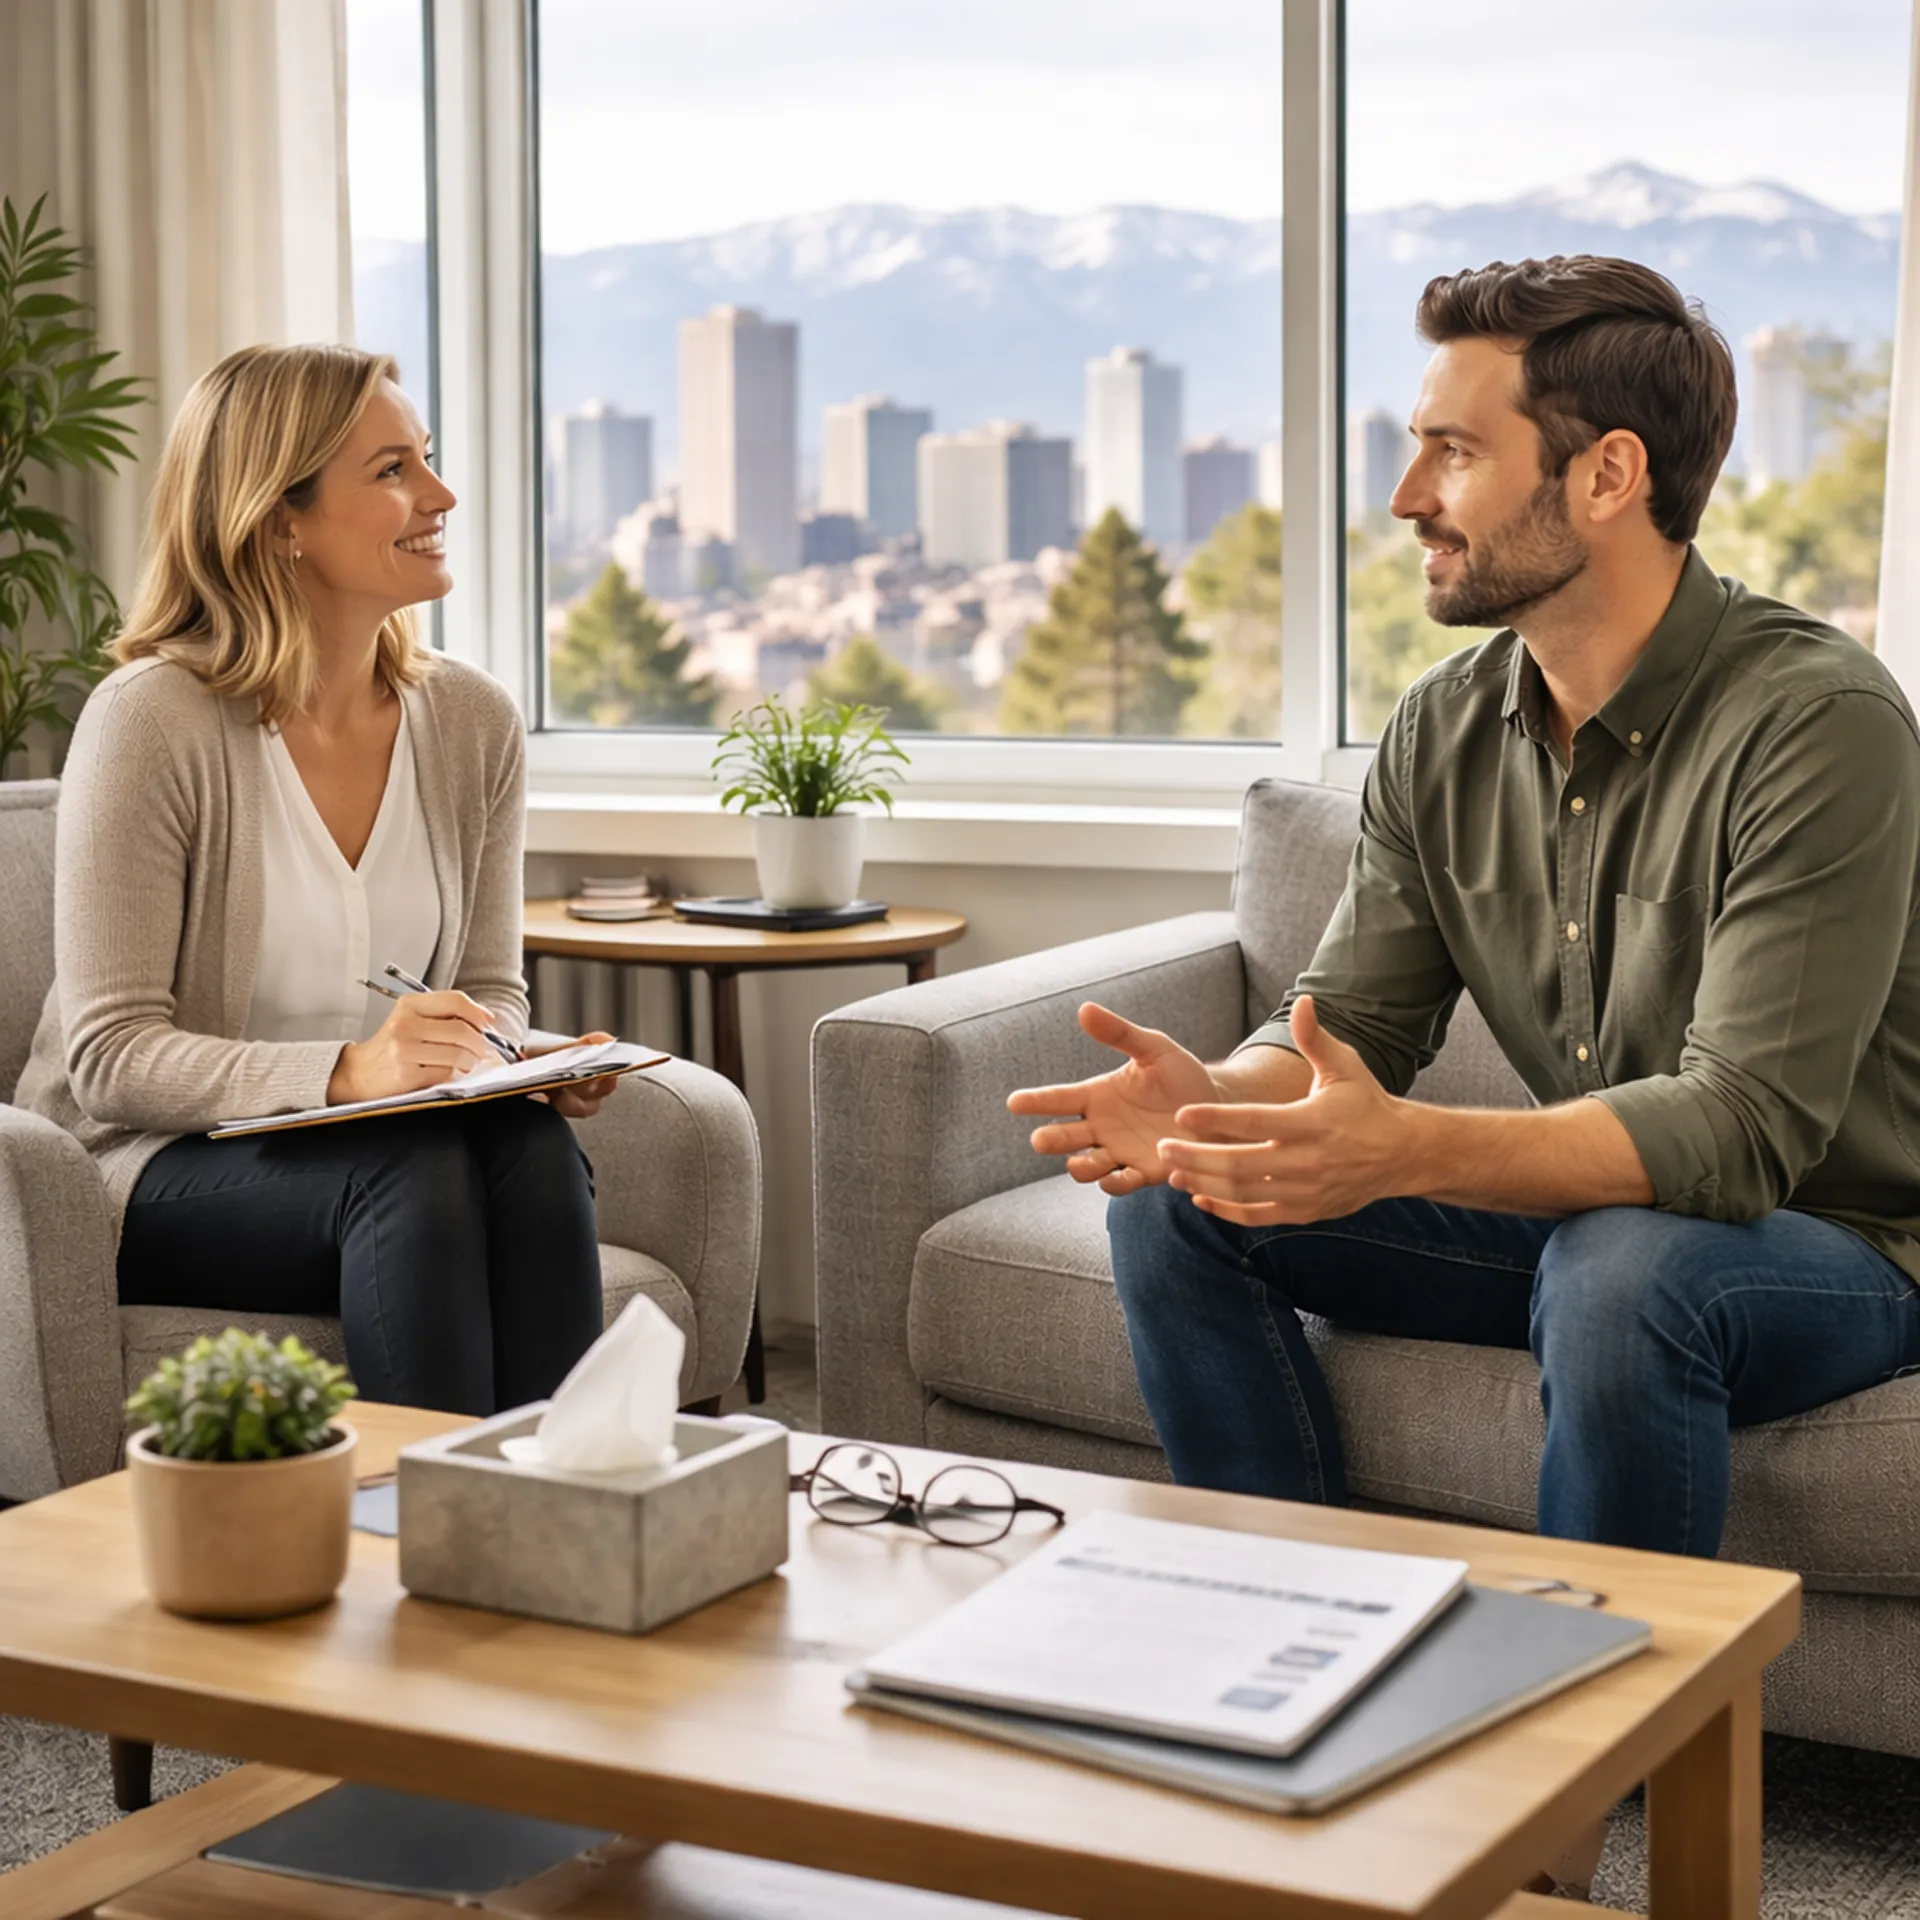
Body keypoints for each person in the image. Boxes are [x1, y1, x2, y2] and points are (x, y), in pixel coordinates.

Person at [1010, 255, 1920, 1565]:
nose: (1404, 499)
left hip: (1838, 1248)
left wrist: (1407, 1152)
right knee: (1182, 1198)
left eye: (1453, 453)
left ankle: (1595, 1761)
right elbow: (1350, 1024)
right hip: (1595, 1219)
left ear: (1609, 476)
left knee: (1624, 1269)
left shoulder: (1816, 723)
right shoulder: (1445, 726)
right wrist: (1220, 1098)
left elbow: (1739, 1131)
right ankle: (1284, 1647)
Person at [17, 343, 620, 1416]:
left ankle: (565, 1524)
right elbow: (109, 1059)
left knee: (526, 1145)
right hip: (147, 1165)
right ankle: (429, 1544)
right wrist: (351, 1074)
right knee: (410, 1175)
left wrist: (512, 1058)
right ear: (278, 519)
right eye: (393, 471)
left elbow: (489, 984)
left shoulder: (472, 722)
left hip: (379, 1147)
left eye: (426, 461)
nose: (439, 496)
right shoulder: (151, 722)